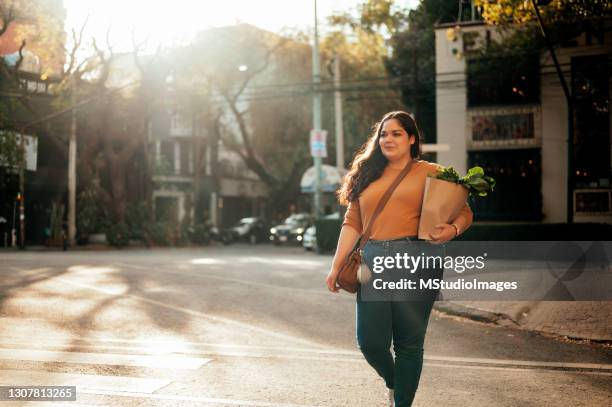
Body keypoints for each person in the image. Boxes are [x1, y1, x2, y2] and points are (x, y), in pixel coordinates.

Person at [326, 111, 473, 407]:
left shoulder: (432, 171)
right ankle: (395, 382)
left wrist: (452, 229)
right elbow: (352, 222)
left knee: (409, 341)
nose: (388, 139)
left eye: (396, 134)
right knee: (371, 342)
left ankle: (402, 402)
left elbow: (464, 211)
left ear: (411, 139)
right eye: (383, 134)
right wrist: (336, 266)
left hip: (419, 259)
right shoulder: (367, 174)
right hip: (374, 260)